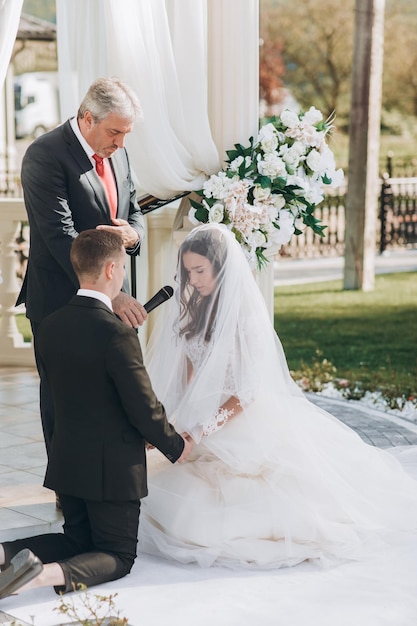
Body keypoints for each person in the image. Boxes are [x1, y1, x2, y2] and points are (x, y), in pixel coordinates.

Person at [139, 222, 417, 570]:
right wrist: (168, 423)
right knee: (163, 495)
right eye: (188, 271)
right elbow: (186, 381)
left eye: (200, 270)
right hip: (203, 420)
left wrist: (200, 431)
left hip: (244, 421)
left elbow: (248, 391)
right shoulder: (193, 312)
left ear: (221, 267)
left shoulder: (245, 317)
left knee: (220, 512)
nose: (193, 280)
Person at [0, 230, 193, 600]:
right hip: (112, 471)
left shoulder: (50, 327)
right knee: (118, 555)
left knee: (76, 538)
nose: (122, 274)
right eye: (122, 267)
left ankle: (2, 555)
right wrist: (174, 444)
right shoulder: (117, 334)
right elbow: (142, 405)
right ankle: (37, 578)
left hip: (67, 462)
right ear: (109, 270)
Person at [16, 76, 147, 457]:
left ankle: (106, 480)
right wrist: (113, 296)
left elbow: (134, 210)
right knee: (64, 399)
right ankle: (68, 489)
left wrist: (134, 237)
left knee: (110, 394)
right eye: (114, 132)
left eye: (126, 134)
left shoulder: (118, 151)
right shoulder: (45, 154)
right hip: (61, 301)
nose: (121, 143)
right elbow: (60, 236)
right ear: (87, 117)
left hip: (112, 298)